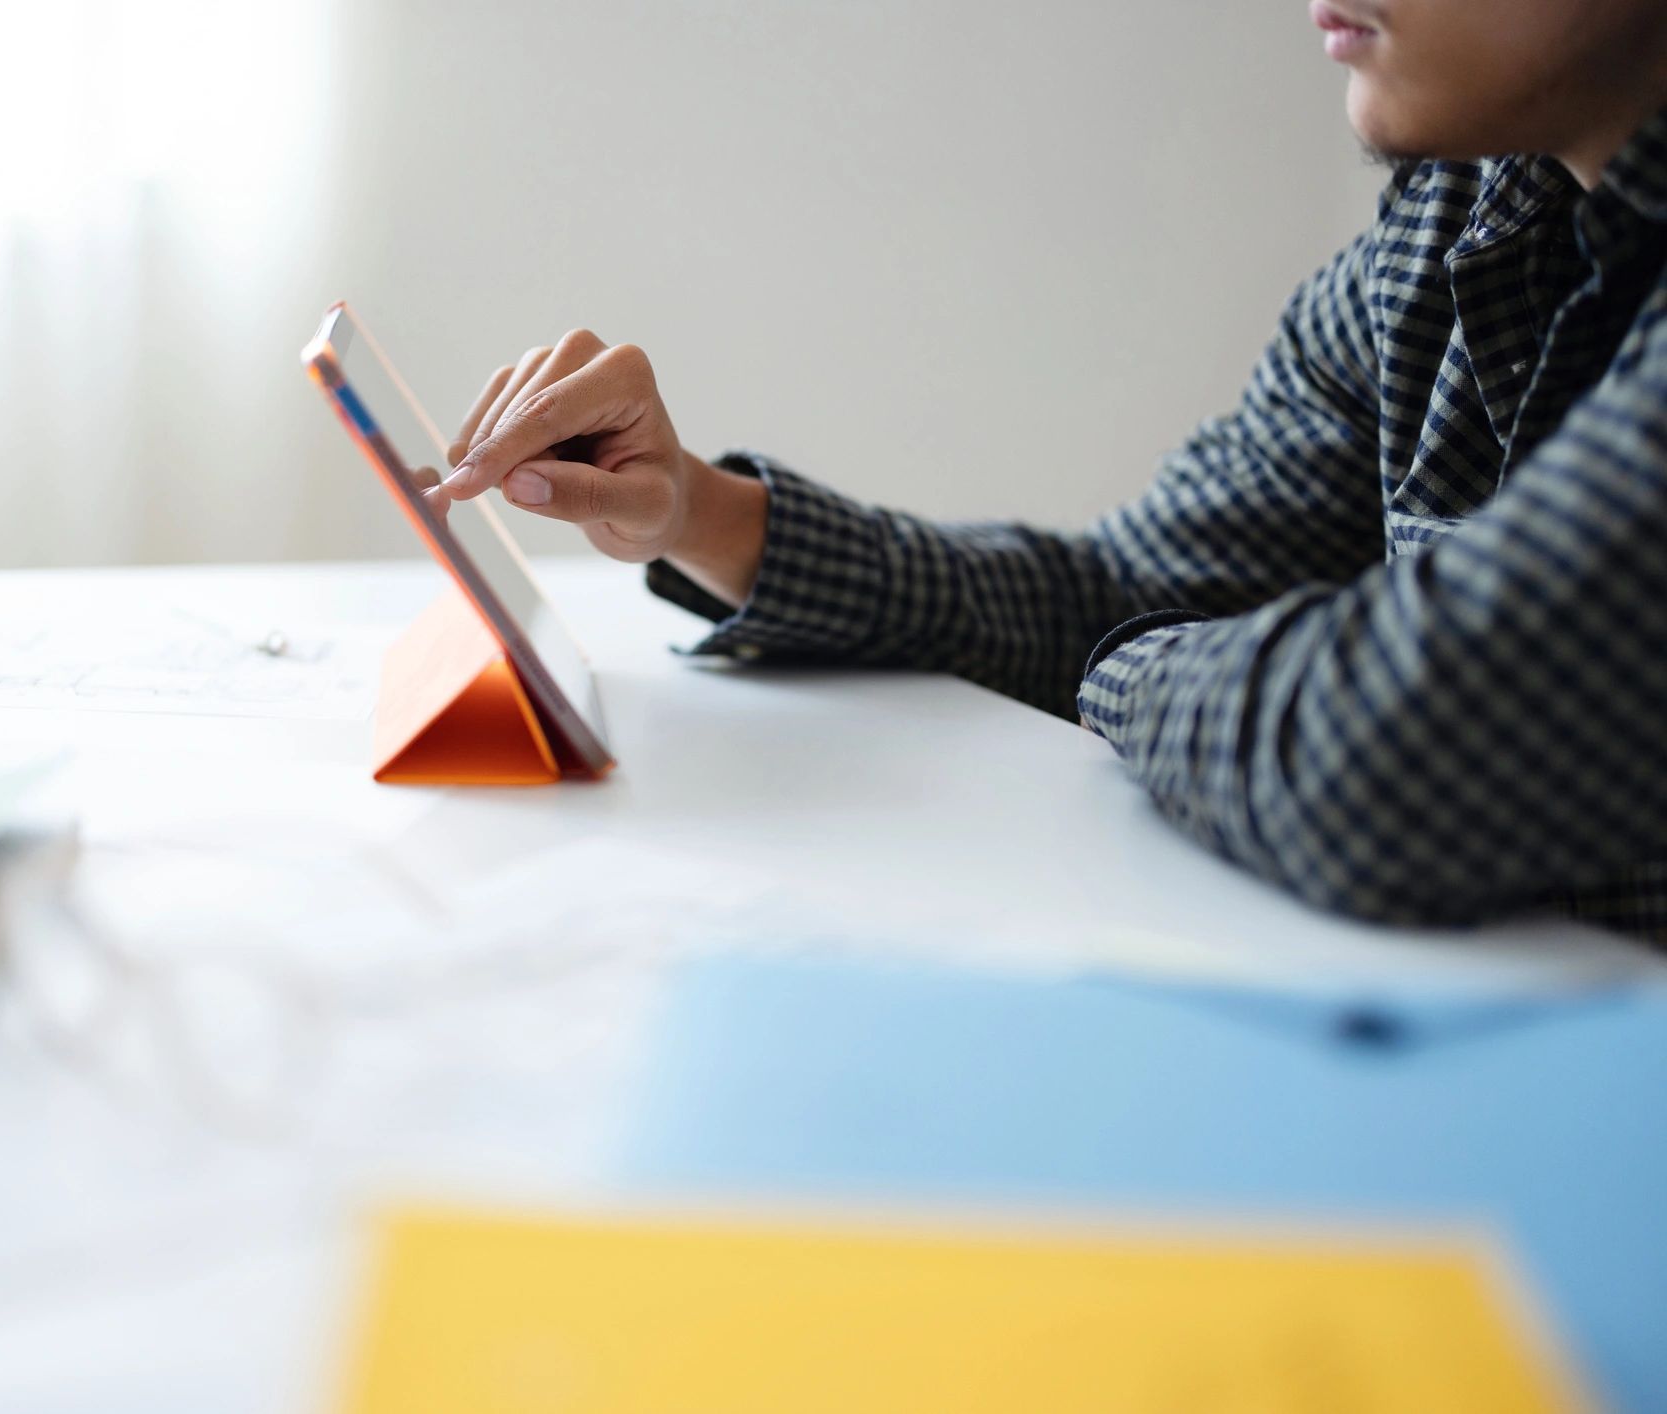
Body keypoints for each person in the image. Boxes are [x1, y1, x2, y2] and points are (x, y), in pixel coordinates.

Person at [437, 0, 1667, 943]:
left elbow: (1382, 753)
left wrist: (1136, 670)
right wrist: (699, 511)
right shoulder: (1457, 223)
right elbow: (1131, 582)